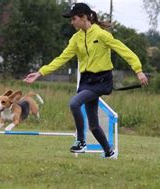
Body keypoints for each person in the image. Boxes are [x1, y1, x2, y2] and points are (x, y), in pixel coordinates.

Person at [23, 3, 148, 159]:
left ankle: (81, 142)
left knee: (74, 103)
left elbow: (124, 50)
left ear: (83, 17)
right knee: (94, 125)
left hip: (102, 80)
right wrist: (40, 73)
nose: (72, 22)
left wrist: (138, 70)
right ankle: (109, 152)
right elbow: (62, 58)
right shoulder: (76, 38)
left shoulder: (101, 34)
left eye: (74, 18)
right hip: (86, 81)